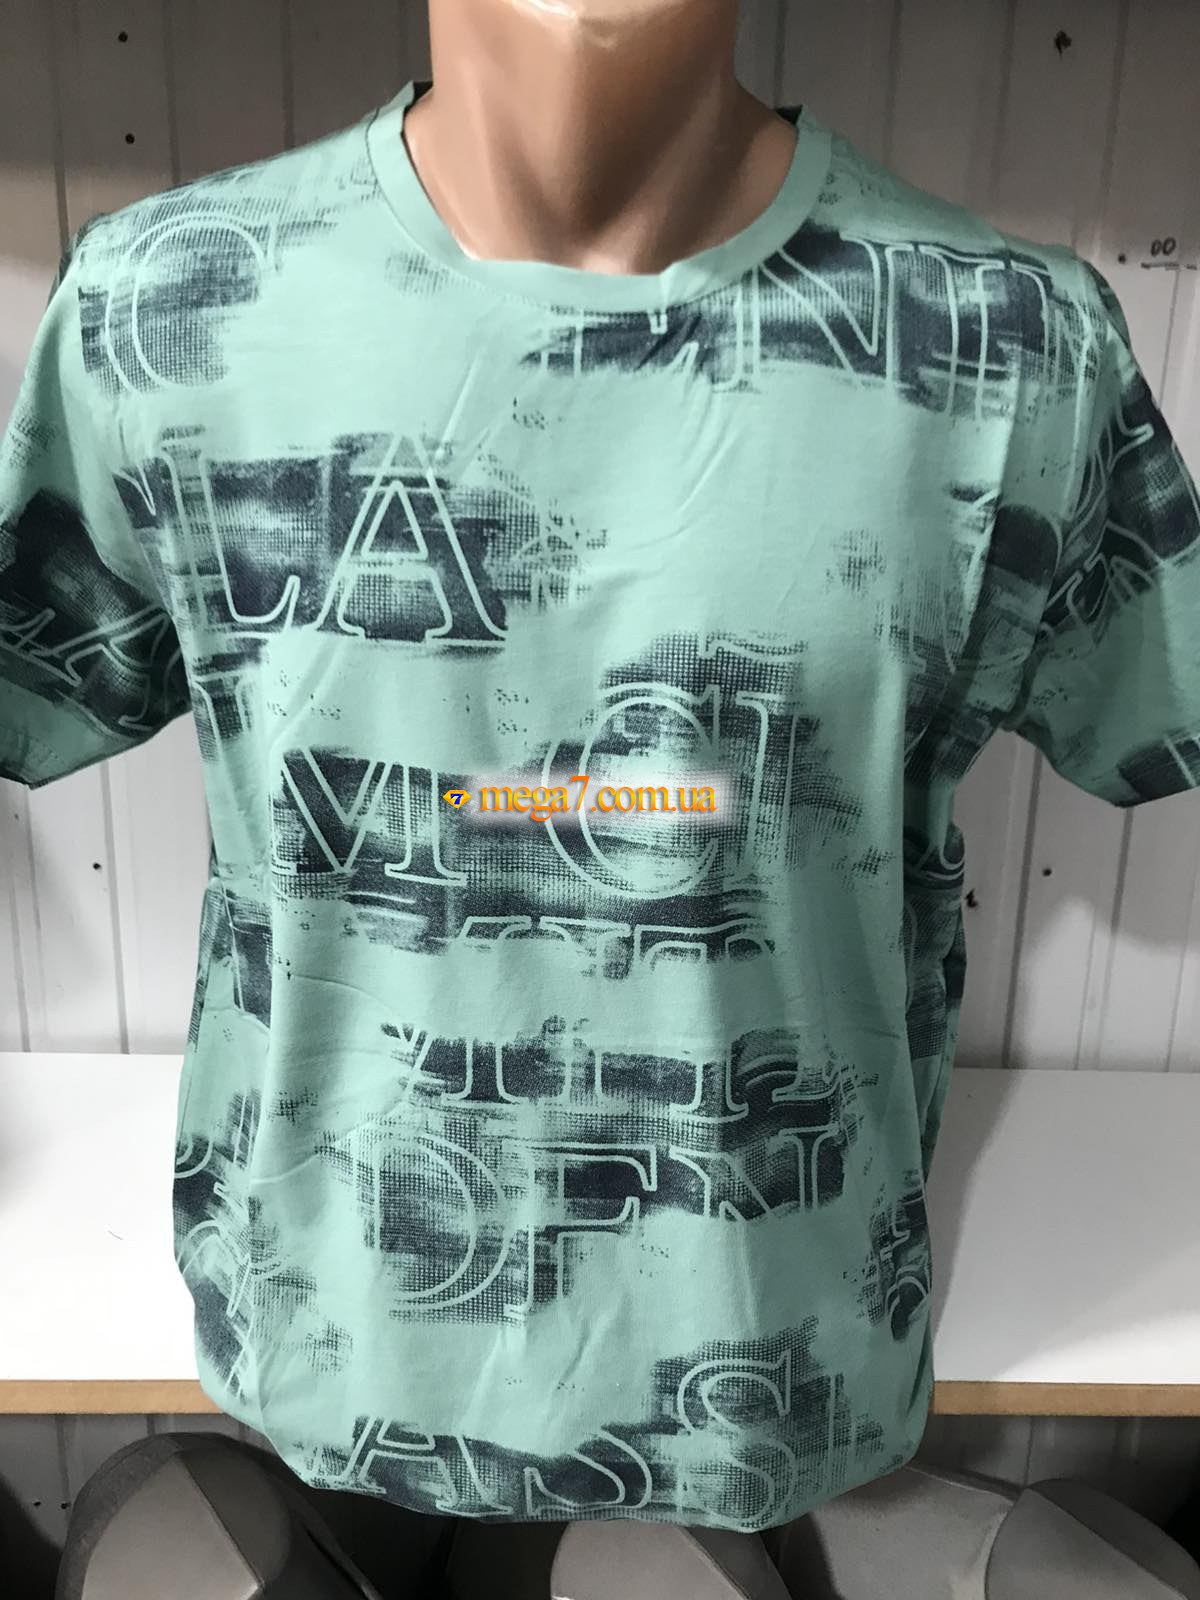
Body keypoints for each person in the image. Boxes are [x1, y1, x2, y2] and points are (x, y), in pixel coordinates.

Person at [2, 0, 1198, 1537]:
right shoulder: (158, 310)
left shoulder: (1022, 346)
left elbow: (1138, 715)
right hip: (328, 1326)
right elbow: (57, 684)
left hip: (779, 1340)